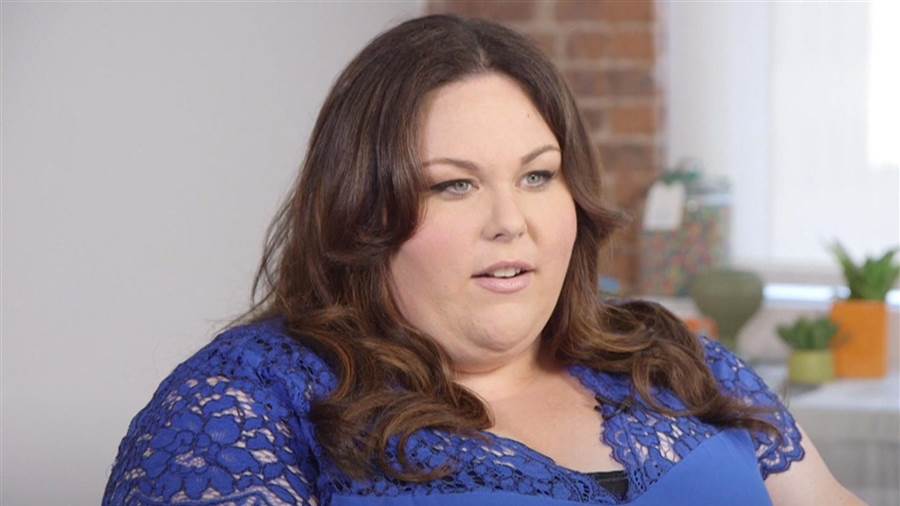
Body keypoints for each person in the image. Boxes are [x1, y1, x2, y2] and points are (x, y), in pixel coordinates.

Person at [102, 14, 863, 506]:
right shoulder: (243, 400)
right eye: (454, 185)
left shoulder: (673, 360)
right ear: (363, 212)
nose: (510, 223)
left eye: (537, 176)